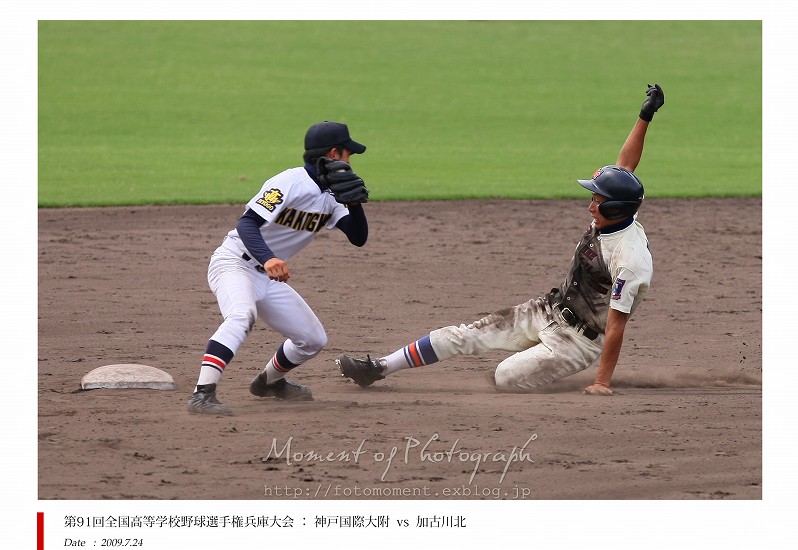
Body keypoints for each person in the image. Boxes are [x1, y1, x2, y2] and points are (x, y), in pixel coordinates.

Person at [337, 84, 665, 396]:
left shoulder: (630, 258)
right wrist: (645, 116)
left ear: (616, 207)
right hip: (548, 309)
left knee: (505, 376)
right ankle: (378, 368)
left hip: (578, 342)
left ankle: (554, 369)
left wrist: (602, 382)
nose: (590, 203)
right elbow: (625, 166)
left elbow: (617, 324)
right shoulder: (621, 210)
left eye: (597, 199)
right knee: (466, 334)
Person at [188, 121, 371, 415]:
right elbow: (247, 223)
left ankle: (269, 383)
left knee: (313, 340)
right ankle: (202, 394)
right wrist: (269, 258)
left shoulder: (333, 195)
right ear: (335, 154)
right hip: (235, 262)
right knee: (241, 315)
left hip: (268, 277)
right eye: (349, 154)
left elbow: (358, 238)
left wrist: (355, 204)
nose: (351, 162)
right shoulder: (289, 182)